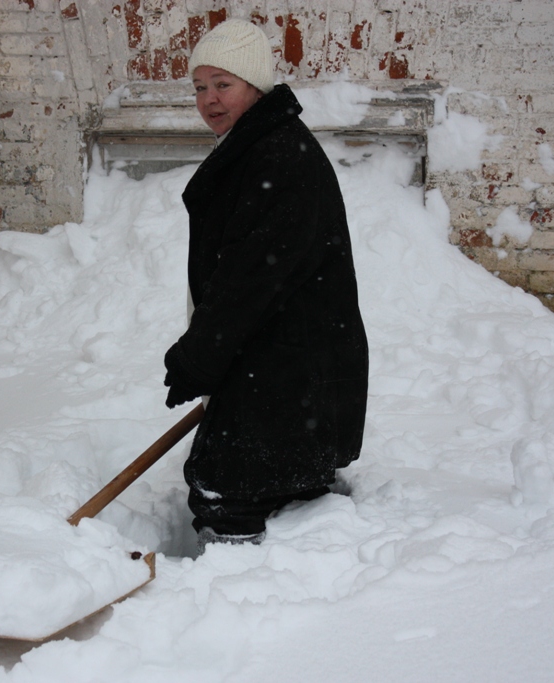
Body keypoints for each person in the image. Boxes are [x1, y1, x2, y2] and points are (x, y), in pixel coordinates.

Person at [162, 19, 369, 553]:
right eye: (199, 87)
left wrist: (198, 357)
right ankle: (301, 514)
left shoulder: (276, 157)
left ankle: (239, 594)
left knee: (226, 489)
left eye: (222, 84)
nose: (208, 99)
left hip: (289, 363)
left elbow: (247, 280)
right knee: (262, 470)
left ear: (255, 85)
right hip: (284, 362)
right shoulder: (262, 146)